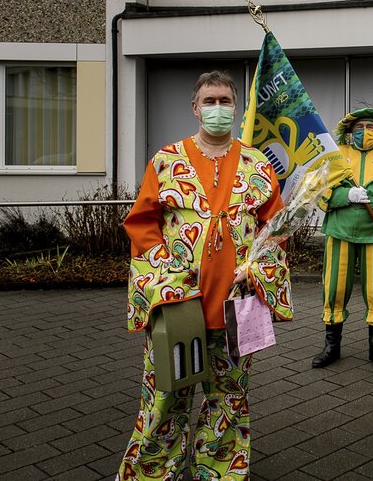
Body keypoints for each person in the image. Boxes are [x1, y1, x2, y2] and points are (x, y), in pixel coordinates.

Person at [117, 70, 292, 481]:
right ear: (195, 108)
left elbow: (276, 230)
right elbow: (142, 226)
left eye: (225, 101)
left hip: (236, 307)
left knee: (229, 397)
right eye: (209, 101)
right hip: (179, 306)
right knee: (165, 396)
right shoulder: (166, 161)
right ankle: (155, 471)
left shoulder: (257, 165)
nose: (218, 109)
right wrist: (165, 279)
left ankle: (220, 471)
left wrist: (259, 268)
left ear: (236, 108)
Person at [313, 108, 373, 369]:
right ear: (349, 130)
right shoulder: (335, 157)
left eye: (371, 126)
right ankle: (332, 345)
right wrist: (346, 196)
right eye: (359, 126)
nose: (365, 131)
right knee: (334, 287)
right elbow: (320, 194)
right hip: (340, 232)